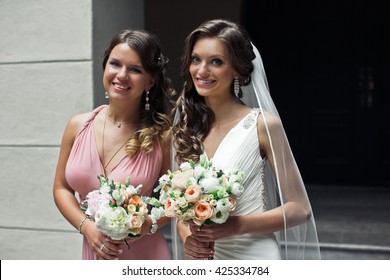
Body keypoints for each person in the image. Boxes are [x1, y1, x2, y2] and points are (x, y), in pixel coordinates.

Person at [171, 19, 321, 260]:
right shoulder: (188, 126)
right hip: (205, 259)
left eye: (216, 62)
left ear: (239, 70)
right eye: (196, 59)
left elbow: (300, 209)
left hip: (253, 255)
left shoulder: (263, 125)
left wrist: (236, 225)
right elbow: (182, 212)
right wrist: (187, 237)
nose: (201, 71)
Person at [53, 29, 175, 260]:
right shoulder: (77, 126)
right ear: (105, 67)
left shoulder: (162, 136)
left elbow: (177, 199)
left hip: (145, 256)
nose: (122, 75)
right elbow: (61, 188)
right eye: (115, 64)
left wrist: (148, 223)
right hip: (94, 252)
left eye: (135, 69)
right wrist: (86, 227)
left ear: (150, 80)